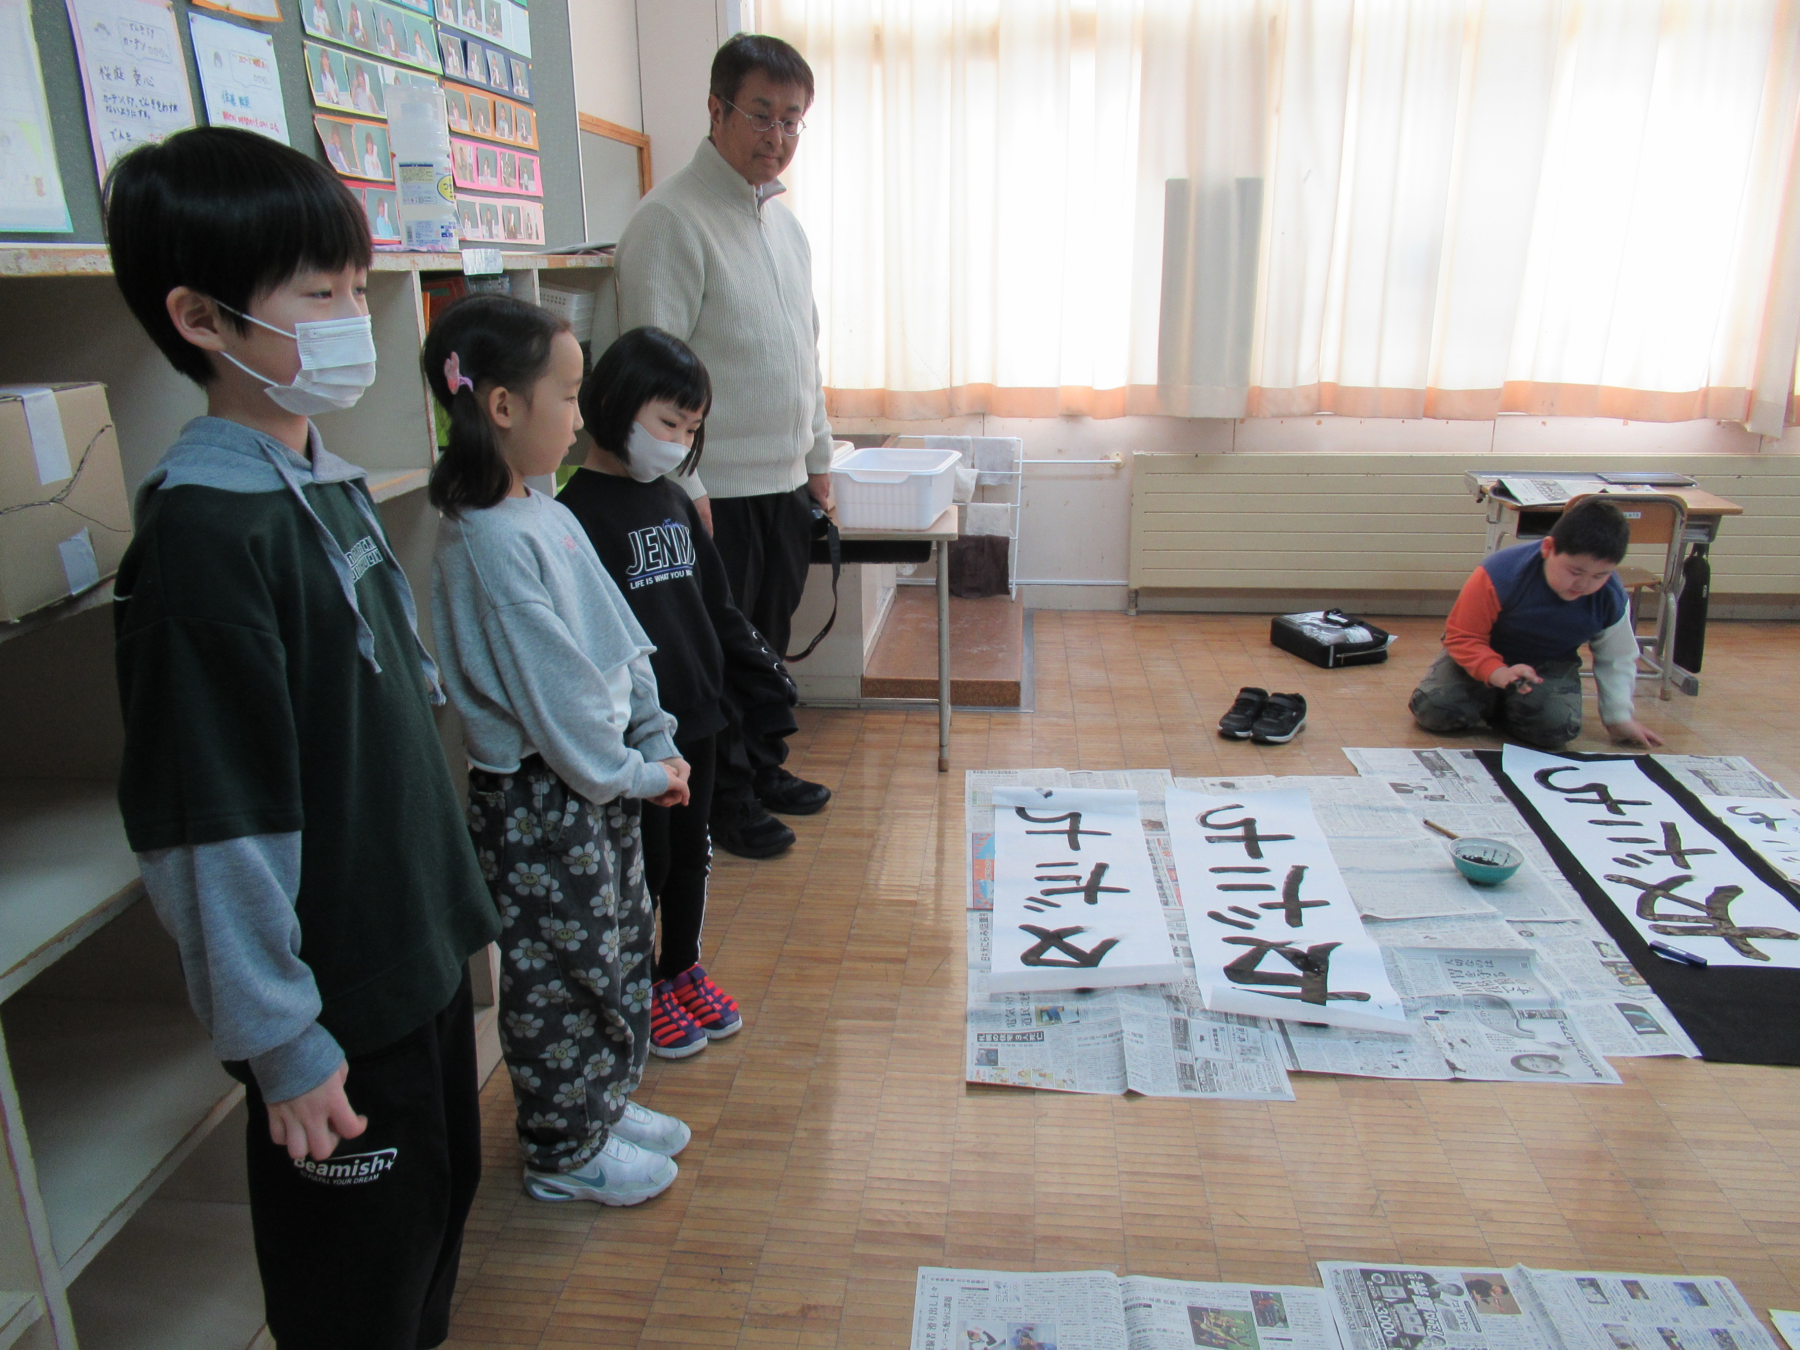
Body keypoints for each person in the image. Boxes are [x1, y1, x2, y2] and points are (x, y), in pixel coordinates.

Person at [104, 126, 500, 1349]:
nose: (354, 317)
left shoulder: (324, 482)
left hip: (413, 961)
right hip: (335, 1007)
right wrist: (281, 1040)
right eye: (318, 294)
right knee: (355, 1295)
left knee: (433, 1228)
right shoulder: (200, 546)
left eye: (355, 286)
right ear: (203, 318)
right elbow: (211, 824)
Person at [423, 294, 697, 1207]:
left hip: (599, 782)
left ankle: (603, 1104)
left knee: (622, 946)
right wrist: (632, 769)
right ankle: (562, 1148)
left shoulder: (542, 510)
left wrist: (652, 735)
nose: (582, 418)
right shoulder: (485, 541)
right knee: (558, 974)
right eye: (569, 396)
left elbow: (618, 641)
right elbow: (562, 697)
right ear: (501, 406)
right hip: (545, 800)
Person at [615, 32, 834, 859]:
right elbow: (651, 368)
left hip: (779, 483)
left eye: (793, 119)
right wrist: (684, 483)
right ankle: (725, 799)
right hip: (713, 492)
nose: (777, 134)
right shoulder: (669, 219)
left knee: (765, 643)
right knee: (714, 657)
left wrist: (817, 459)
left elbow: (803, 354)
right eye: (762, 114)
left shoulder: (784, 227)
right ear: (715, 109)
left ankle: (762, 766)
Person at [560, 327, 800, 1058]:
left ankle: (682, 966)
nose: (678, 441)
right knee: (646, 865)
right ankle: (642, 985)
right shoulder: (574, 514)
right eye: (669, 423)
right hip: (636, 739)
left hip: (699, 715)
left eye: (690, 429)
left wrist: (761, 680)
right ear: (615, 404)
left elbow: (716, 605)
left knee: (693, 856)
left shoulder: (669, 498)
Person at [1409, 498, 1664, 750]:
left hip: (1547, 664)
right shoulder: (1499, 573)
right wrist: (1498, 673)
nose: (1584, 585)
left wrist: (1619, 718)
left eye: (1600, 575)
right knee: (1435, 710)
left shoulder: (1611, 597)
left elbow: (1617, 658)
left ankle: (1506, 705)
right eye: (1575, 572)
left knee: (1555, 729)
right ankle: (1495, 696)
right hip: (1482, 654)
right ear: (1548, 549)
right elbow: (1462, 637)